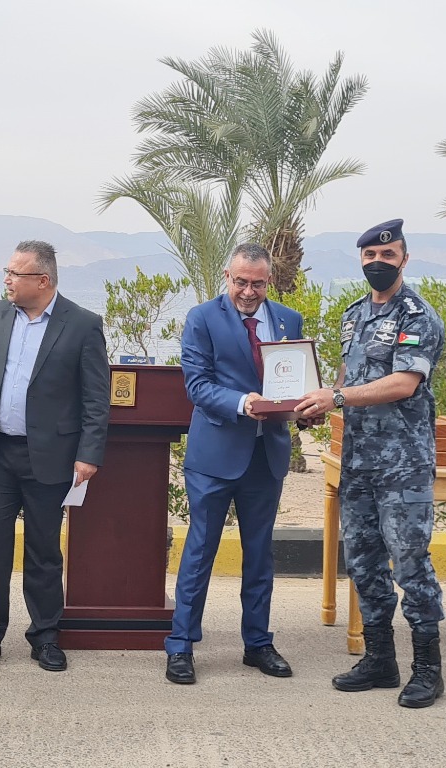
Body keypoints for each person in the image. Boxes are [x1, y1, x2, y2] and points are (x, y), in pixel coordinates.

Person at [294, 218, 446, 708]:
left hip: (403, 464)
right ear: (361, 259)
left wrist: (337, 397)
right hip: (358, 460)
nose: (378, 262)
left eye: (388, 255)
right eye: (370, 256)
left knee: (410, 562)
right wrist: (320, 404)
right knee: (363, 562)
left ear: (404, 259)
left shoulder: (417, 315)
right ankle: (380, 659)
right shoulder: (354, 314)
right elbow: (349, 373)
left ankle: (428, 670)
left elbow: (404, 383)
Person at [0, 240, 110, 672]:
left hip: (51, 455)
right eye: (6, 271)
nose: (6, 280)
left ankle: (45, 637)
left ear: (42, 280)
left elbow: (96, 399)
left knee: (43, 550)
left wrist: (89, 454)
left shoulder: (83, 325)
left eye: (14, 273)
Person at [163, 243, 307, 685]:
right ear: (227, 276)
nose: (248, 291)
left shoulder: (289, 321)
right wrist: (245, 403)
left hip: (267, 455)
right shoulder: (202, 318)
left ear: (269, 281)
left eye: (257, 284)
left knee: (260, 555)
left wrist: (306, 407)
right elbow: (197, 386)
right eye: (241, 282)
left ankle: (258, 643)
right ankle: (181, 646)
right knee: (200, 551)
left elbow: (296, 382)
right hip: (215, 456)